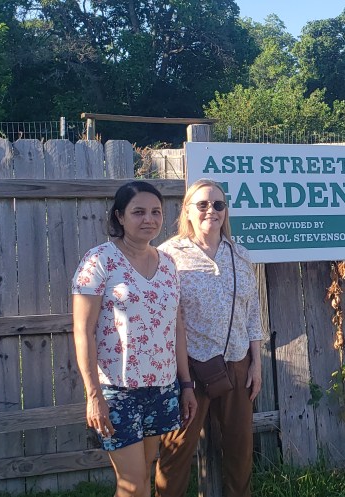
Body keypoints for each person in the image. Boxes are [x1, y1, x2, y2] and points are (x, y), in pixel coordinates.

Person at [71, 180, 197, 497]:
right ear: (120, 217)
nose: (149, 219)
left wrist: (185, 385)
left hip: (161, 387)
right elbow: (83, 330)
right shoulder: (99, 260)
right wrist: (93, 395)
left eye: (155, 212)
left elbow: (177, 326)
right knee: (132, 486)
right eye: (138, 212)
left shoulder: (168, 264)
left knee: (144, 481)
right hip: (117, 389)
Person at [155, 179, 265, 497]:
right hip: (188, 369)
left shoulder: (240, 255)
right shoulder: (168, 256)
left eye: (218, 205)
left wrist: (256, 363)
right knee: (176, 452)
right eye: (202, 204)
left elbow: (252, 311)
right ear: (187, 210)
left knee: (240, 450)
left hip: (236, 364)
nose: (210, 211)